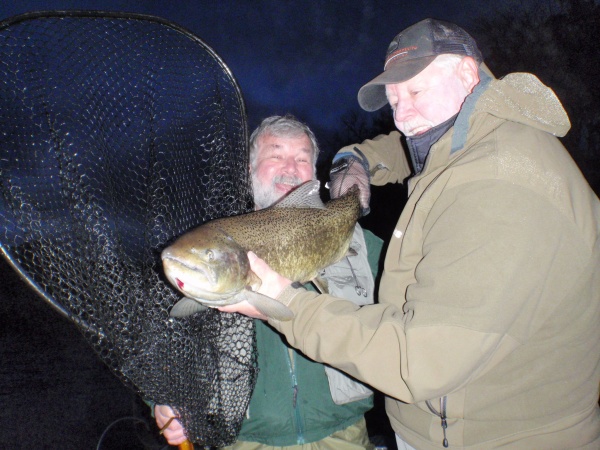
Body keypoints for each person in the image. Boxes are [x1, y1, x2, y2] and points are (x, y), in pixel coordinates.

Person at [220, 18, 600, 449]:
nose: (402, 115)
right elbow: (415, 146)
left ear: (467, 74)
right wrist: (355, 158)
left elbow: (421, 360)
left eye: (416, 92)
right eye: (394, 100)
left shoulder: (499, 183)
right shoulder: (472, 143)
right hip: (434, 429)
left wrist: (284, 304)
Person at [155, 114, 383, 449]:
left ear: (314, 174)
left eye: (302, 159)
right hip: (248, 441)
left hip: (344, 435)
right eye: (276, 155)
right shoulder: (207, 252)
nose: (290, 169)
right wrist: (163, 402)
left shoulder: (364, 246)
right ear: (249, 170)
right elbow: (163, 341)